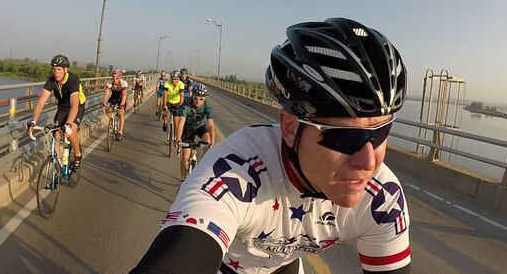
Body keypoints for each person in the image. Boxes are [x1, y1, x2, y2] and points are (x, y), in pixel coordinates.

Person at [131, 18, 411, 274]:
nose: (369, 162)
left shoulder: (381, 198)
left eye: (381, 132)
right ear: (290, 127)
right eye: (345, 137)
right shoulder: (237, 172)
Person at [27, 54, 86, 171]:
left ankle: (77, 156)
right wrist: (34, 121)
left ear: (65, 70)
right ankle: (58, 164)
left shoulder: (73, 80)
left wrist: (68, 124)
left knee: (71, 131)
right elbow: (41, 102)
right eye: (54, 69)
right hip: (63, 108)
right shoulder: (51, 81)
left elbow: (74, 105)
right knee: (56, 134)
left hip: (77, 107)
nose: (56, 72)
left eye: (59, 69)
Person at [174, 83, 215, 180]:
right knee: (185, 158)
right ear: (193, 95)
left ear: (204, 98)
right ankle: (183, 180)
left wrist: (212, 145)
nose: (198, 101)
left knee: (208, 141)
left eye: (201, 99)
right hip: (188, 128)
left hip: (200, 127)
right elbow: (181, 123)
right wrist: (178, 139)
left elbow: (210, 126)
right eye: (196, 98)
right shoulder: (186, 104)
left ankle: (202, 164)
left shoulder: (207, 106)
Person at [101, 69, 128, 141]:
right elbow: (106, 94)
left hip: (121, 98)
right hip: (113, 97)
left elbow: (124, 94)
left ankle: (120, 132)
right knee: (107, 109)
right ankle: (112, 120)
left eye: (117, 78)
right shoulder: (109, 83)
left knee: (121, 113)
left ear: (120, 78)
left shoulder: (124, 83)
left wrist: (122, 104)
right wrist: (104, 102)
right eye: (113, 78)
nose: (115, 79)